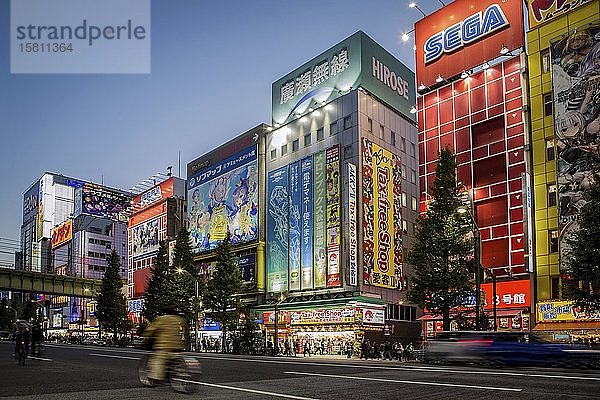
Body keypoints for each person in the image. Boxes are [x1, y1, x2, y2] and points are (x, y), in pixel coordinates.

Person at [144, 307, 187, 382]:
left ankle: (155, 377)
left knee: (158, 360)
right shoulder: (179, 319)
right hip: (177, 345)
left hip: (164, 345)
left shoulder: (162, 319)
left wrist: (146, 336)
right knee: (176, 359)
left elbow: (151, 329)